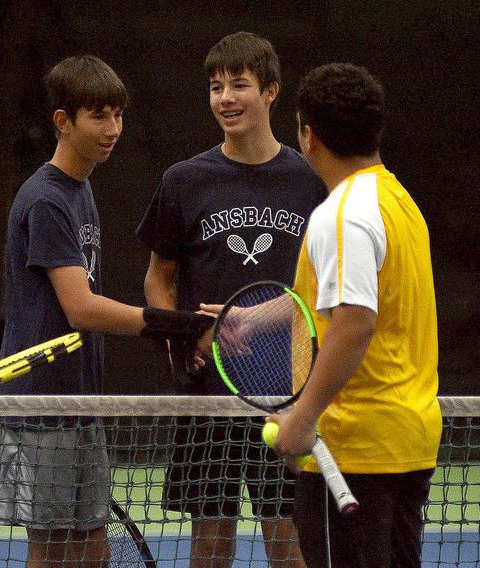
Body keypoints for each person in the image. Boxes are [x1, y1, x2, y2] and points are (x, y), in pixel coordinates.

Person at [0, 54, 213, 567]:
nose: (113, 129)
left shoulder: (81, 189)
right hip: (41, 407)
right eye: (98, 117)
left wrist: (165, 328)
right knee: (52, 550)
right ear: (62, 121)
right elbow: (80, 308)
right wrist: (172, 325)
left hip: (81, 402)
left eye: (117, 115)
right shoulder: (44, 199)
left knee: (92, 549)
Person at [136, 32, 325, 568]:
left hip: (288, 390)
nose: (225, 98)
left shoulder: (311, 179)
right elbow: (159, 276)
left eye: (239, 84)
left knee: (289, 542)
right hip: (208, 392)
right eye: (216, 86)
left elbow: (321, 287)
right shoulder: (184, 181)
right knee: (211, 544)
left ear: (270, 91)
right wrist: (181, 334)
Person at [266, 63, 441, 567]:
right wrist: (254, 320)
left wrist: (303, 417)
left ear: (309, 136)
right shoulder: (398, 202)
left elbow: (355, 322)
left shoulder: (342, 214)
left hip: (353, 448)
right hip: (407, 442)